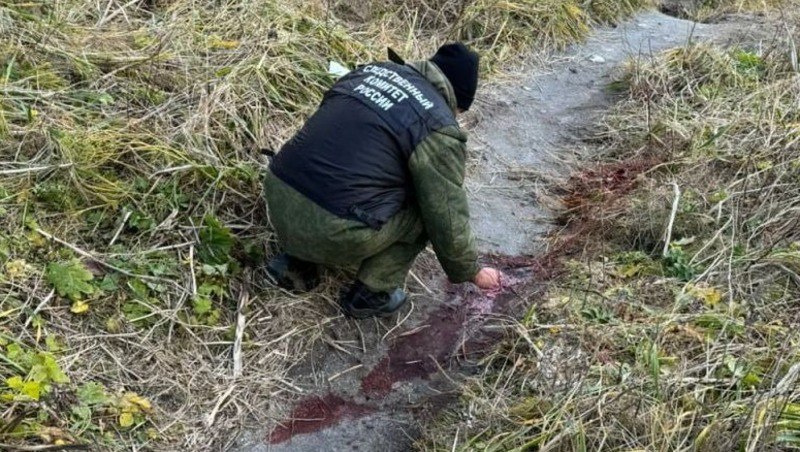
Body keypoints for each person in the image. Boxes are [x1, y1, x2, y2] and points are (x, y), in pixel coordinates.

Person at [263, 42, 502, 319]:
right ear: (456, 101)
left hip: (277, 193)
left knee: (341, 176)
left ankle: (296, 261)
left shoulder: (369, 72)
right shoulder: (437, 125)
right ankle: (372, 293)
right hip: (328, 229)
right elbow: (446, 212)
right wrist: (470, 270)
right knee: (426, 210)